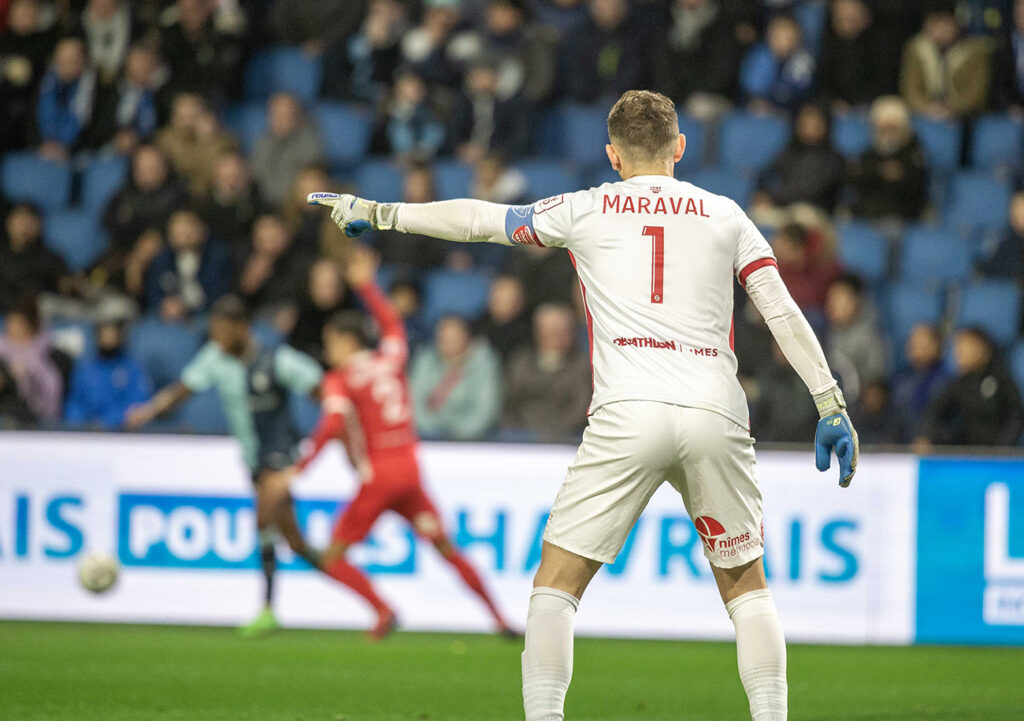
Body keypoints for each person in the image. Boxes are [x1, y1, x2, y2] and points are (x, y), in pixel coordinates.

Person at [311, 89, 859, 721]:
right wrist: (830, 403)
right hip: (716, 409)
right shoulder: (726, 213)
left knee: (556, 585)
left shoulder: (585, 208)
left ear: (612, 155)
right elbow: (780, 308)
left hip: (627, 413)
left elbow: (481, 220)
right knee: (745, 586)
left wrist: (378, 213)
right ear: (680, 147)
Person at [297, 248, 514, 639]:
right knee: (447, 549)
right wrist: (367, 287)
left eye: (331, 342)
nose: (329, 351)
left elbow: (331, 424)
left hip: (378, 478)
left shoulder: (341, 379)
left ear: (346, 341)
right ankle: (499, 619)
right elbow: (394, 326)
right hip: (410, 474)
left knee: (331, 558)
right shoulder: (390, 360)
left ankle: (382, 610)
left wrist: (298, 469)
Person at [124, 295, 349, 637]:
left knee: (263, 519)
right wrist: (148, 411)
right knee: (296, 544)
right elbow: (183, 390)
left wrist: (342, 423)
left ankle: (269, 609)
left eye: (222, 330)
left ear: (242, 329)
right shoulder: (215, 358)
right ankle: (365, 594)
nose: (216, 337)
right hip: (253, 461)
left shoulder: (278, 360)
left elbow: (323, 389)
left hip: (280, 457)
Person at [916, 327, 1024, 448]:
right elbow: (935, 411)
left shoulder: (1002, 378)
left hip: (999, 454)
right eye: (958, 348)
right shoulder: (958, 383)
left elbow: (1015, 416)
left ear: (983, 349)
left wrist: (1002, 448)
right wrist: (926, 436)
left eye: (966, 347)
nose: (960, 353)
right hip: (967, 453)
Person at [503, 304, 592, 441]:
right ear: (538, 333)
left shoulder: (582, 366)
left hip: (566, 439)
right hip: (521, 437)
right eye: (550, 331)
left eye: (561, 331)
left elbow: (581, 409)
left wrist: (554, 434)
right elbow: (508, 404)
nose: (556, 336)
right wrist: (518, 433)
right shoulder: (521, 362)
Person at [409, 314, 503, 440]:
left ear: (467, 337)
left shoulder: (484, 363)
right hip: (429, 436)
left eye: (455, 338)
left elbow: (485, 410)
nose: (449, 344)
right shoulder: (426, 359)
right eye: (444, 339)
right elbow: (414, 403)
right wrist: (433, 429)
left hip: (473, 440)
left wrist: (456, 432)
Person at [900, 5, 992, 120]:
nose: (939, 29)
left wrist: (950, 108)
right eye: (934, 23)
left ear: (955, 24)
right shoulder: (916, 48)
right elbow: (910, 90)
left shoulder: (974, 50)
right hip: (924, 113)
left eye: (944, 23)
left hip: (965, 115)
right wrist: (928, 108)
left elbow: (976, 93)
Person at [847, 96, 928, 221]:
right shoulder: (868, 154)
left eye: (893, 128)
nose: (888, 134)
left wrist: (900, 175)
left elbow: (918, 188)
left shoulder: (914, 155)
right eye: (883, 128)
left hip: (903, 217)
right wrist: (880, 171)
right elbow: (857, 182)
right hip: (868, 215)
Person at [754, 103, 845, 214]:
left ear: (825, 125)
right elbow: (766, 174)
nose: (809, 128)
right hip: (784, 208)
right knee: (754, 216)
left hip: (816, 214)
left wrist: (773, 198)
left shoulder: (832, 158)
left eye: (815, 124)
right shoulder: (790, 151)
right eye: (804, 123)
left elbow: (809, 191)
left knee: (802, 213)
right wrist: (762, 193)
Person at [145, 208, 232, 321]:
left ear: (201, 230)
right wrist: (165, 303)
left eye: (187, 232)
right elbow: (153, 291)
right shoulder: (162, 258)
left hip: (205, 313)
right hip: (167, 313)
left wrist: (187, 307)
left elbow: (219, 292)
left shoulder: (217, 256)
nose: (182, 237)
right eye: (177, 232)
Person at [64, 317, 151, 430]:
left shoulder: (133, 370)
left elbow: (138, 405)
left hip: (123, 435)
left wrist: (108, 422)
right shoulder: (85, 370)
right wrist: (81, 426)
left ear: (120, 336)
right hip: (87, 436)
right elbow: (74, 404)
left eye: (112, 332)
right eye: (104, 332)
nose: (108, 337)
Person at [823, 273, 889, 403]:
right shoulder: (828, 333)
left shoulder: (871, 337)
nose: (832, 303)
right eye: (831, 297)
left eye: (839, 297)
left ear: (856, 301)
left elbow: (876, 390)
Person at [250, 93, 325, 207]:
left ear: (299, 117)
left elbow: (305, 183)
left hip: (292, 207)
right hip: (262, 203)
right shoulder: (263, 141)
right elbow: (255, 174)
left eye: (287, 115)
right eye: (276, 114)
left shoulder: (309, 142)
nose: (281, 120)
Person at [816, 0, 888, 111]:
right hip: (834, 106)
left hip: (868, 105)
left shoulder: (876, 44)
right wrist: (833, 102)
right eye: (842, 9)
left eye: (852, 8)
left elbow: (880, 82)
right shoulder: (826, 46)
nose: (848, 14)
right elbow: (823, 84)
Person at [36, 35, 96, 160]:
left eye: (71, 61)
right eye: (61, 60)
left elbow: (97, 132)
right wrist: (42, 144)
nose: (64, 66)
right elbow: (30, 124)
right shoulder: (44, 83)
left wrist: (68, 149)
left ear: (83, 61)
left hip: (80, 155)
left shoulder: (96, 89)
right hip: (43, 149)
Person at [0, 203, 67, 314]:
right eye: (20, 220)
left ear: (39, 225)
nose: (24, 226)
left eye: (29, 220)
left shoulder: (52, 259)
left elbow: (63, 288)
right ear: (8, 223)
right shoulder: (2, 257)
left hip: (40, 317)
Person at [740, 13, 815, 111]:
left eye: (786, 35)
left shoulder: (803, 60)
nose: (781, 40)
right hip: (758, 112)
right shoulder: (760, 55)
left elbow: (797, 95)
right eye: (776, 35)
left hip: (791, 114)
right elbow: (749, 91)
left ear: (797, 38)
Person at [892, 323, 950, 443]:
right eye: (914, 343)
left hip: (937, 447)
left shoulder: (947, 382)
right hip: (901, 448)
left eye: (923, 344)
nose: (916, 348)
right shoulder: (901, 380)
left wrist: (929, 438)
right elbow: (894, 418)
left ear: (937, 346)